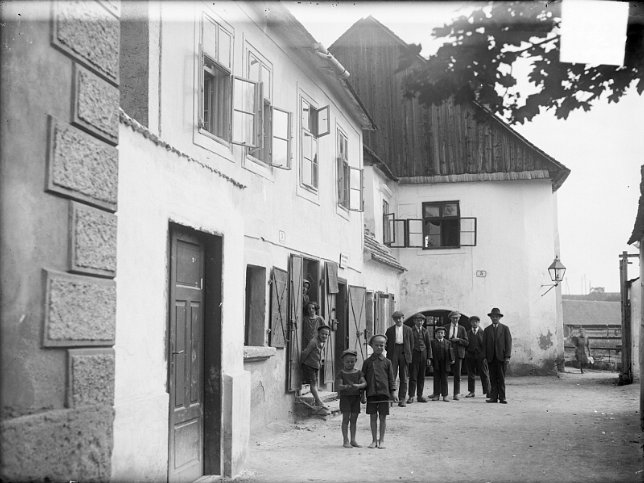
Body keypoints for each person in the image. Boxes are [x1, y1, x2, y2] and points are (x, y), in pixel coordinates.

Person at [361, 334, 396, 449]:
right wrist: (363, 395)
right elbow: (363, 379)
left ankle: (382, 440)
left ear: (385, 346)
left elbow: (391, 378)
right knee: (372, 417)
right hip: (371, 394)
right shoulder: (367, 362)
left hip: (384, 394)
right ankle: (373, 440)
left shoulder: (387, 362)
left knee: (382, 417)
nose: (379, 347)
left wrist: (393, 392)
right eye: (377, 345)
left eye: (382, 345)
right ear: (371, 346)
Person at [335, 349, 367, 448]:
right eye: (347, 362)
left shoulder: (358, 373)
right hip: (345, 398)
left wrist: (358, 386)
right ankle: (345, 440)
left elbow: (364, 383)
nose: (350, 364)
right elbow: (338, 386)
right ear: (343, 362)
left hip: (356, 398)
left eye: (352, 361)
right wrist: (346, 387)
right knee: (345, 419)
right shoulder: (341, 373)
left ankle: (353, 440)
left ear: (356, 361)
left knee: (354, 420)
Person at [483, 307, 512, 404]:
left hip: (501, 357)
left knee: (501, 378)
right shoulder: (487, 330)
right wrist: (484, 357)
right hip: (491, 358)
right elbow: (484, 345)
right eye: (493, 317)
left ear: (499, 318)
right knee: (492, 378)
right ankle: (493, 397)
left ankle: (502, 397)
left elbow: (508, 343)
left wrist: (507, 356)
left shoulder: (505, 329)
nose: (494, 318)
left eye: (496, 317)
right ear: (490, 318)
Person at [385, 310, 414, 407]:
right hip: (393, 352)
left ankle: (402, 399)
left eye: (400, 318)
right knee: (391, 375)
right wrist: (390, 351)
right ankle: (391, 397)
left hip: (404, 352)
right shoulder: (389, 330)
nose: (398, 320)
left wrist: (408, 354)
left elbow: (411, 344)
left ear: (403, 318)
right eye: (396, 318)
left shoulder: (408, 330)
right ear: (393, 320)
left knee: (404, 377)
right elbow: (386, 344)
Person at [301, 324, 331, 408]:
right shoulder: (313, 342)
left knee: (314, 382)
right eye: (322, 334)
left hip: (316, 365)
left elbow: (320, 353)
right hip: (309, 365)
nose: (324, 336)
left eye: (326, 334)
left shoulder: (323, 342)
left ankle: (316, 399)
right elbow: (306, 352)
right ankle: (318, 401)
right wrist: (301, 362)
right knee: (313, 383)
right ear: (318, 333)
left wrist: (320, 362)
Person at [407, 313, 432, 404]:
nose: (419, 322)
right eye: (418, 320)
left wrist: (429, 357)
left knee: (421, 376)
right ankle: (411, 396)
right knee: (413, 376)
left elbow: (428, 345)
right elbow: (408, 343)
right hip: (414, 355)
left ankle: (420, 396)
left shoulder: (425, 331)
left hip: (423, 355)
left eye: (421, 320)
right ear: (414, 321)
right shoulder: (410, 330)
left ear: (423, 321)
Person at [464, 316, 491, 398]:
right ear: (470, 323)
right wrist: (467, 353)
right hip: (470, 355)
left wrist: (484, 355)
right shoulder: (467, 333)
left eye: (476, 321)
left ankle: (488, 391)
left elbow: (487, 345)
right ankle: (471, 392)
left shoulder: (483, 333)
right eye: (473, 322)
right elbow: (465, 343)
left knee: (484, 373)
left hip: (481, 356)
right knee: (471, 374)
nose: (474, 323)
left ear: (478, 323)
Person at [444, 311, 469, 400]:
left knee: (457, 374)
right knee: (445, 373)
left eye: (457, 318)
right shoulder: (446, 327)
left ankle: (456, 393)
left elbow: (466, 342)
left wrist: (458, 339)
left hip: (458, 353)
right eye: (454, 318)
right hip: (447, 353)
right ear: (450, 318)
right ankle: (444, 393)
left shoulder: (462, 329)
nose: (456, 319)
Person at [429, 326, 454, 401]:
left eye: (442, 333)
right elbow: (430, 352)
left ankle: (445, 395)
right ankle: (436, 394)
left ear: (444, 334)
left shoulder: (448, 342)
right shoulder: (432, 342)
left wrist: (452, 359)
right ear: (436, 334)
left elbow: (451, 351)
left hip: (445, 363)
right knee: (436, 379)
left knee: (444, 379)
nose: (440, 334)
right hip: (436, 363)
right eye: (438, 333)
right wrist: (430, 361)